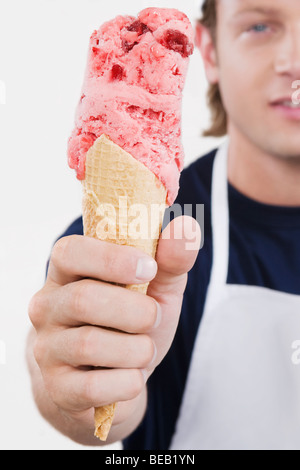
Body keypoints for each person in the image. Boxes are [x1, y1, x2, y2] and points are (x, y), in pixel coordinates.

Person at [27, 0, 300, 450]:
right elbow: (61, 343)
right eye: (258, 25)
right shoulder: (159, 224)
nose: (294, 61)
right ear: (209, 52)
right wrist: (77, 386)